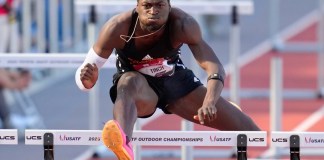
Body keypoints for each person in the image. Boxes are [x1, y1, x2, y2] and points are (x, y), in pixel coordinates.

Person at [75, 0, 260, 159]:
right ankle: (123, 143)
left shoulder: (183, 24)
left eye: (159, 5)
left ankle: (226, 108)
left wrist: (210, 102)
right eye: (147, 5)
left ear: (169, 6)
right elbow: (83, 75)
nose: (153, 11)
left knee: (252, 133)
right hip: (140, 90)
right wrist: (87, 81)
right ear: (137, 6)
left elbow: (215, 67)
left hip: (175, 83)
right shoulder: (117, 27)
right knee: (128, 81)